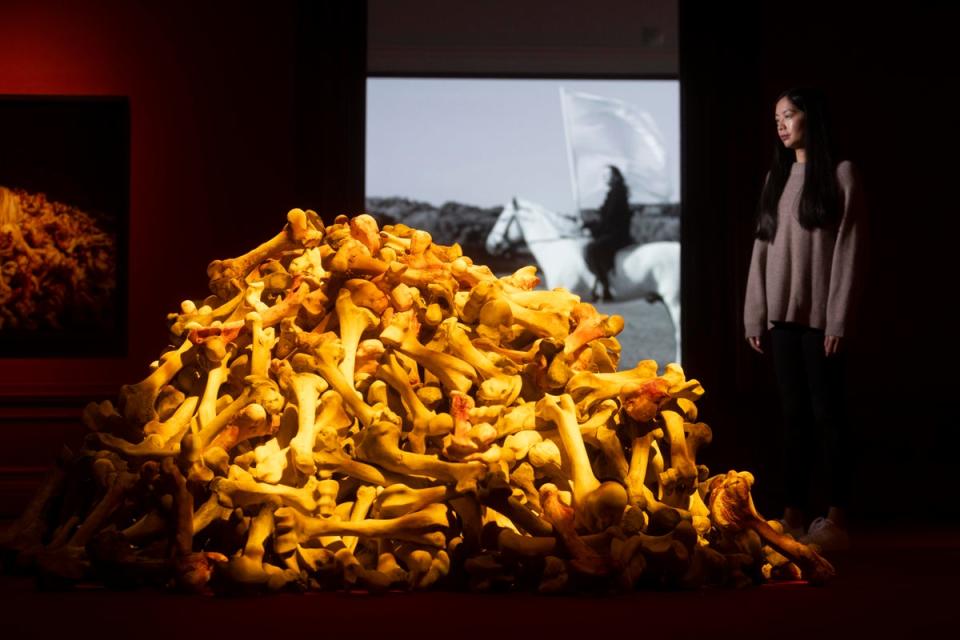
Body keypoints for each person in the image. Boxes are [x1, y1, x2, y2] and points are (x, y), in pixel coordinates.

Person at [743, 87, 866, 552]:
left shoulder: (840, 174)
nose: (780, 124)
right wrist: (755, 314)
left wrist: (837, 319)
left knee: (828, 416)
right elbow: (760, 250)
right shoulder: (776, 179)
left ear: (811, 118)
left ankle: (836, 517)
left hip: (820, 323)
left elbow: (850, 250)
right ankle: (792, 514)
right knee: (792, 418)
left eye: (789, 114)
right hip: (781, 322)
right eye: (776, 116)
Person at [584, 165, 633, 301]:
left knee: (591, 249)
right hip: (612, 231)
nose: (604, 177)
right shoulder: (613, 192)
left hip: (617, 234)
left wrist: (592, 230)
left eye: (607, 175)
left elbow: (610, 219)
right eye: (603, 175)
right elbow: (604, 219)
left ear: (615, 176)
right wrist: (585, 225)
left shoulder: (618, 193)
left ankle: (605, 287)